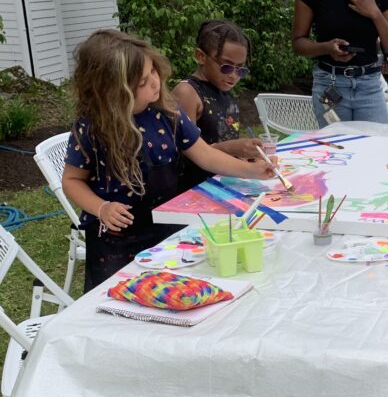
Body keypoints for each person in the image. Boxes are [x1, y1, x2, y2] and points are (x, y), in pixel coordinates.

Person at [62, 29, 277, 292]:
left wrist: (252, 171)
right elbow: (72, 180)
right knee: (121, 300)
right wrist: (101, 207)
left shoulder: (167, 112)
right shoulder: (92, 127)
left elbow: (205, 155)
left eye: (153, 71)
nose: (154, 82)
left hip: (167, 226)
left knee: (172, 294)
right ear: (111, 91)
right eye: (142, 82)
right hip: (117, 241)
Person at [172, 19, 262, 190]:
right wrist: (230, 149)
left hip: (223, 182)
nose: (234, 76)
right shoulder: (187, 93)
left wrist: (244, 154)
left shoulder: (221, 88)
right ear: (201, 56)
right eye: (226, 67)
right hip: (195, 190)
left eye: (241, 69)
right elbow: (183, 155)